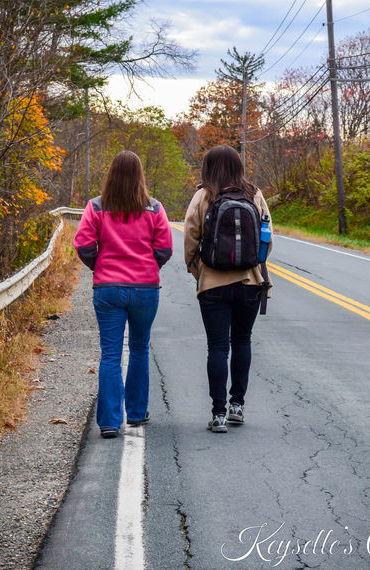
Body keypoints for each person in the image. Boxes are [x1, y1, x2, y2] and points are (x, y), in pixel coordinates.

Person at [74, 150, 173, 438]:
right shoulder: (154, 208)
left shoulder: (96, 206)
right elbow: (165, 248)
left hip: (108, 288)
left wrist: (100, 265)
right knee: (140, 348)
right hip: (145, 289)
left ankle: (109, 421)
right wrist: (149, 266)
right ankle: (137, 413)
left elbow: (83, 245)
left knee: (111, 354)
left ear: (112, 174)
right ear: (140, 175)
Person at [184, 145, 272, 433]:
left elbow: (190, 239)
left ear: (208, 168)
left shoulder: (203, 195)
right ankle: (238, 406)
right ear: (238, 166)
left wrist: (200, 272)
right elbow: (267, 240)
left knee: (218, 347)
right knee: (243, 341)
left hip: (213, 283)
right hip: (250, 282)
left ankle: (218, 413)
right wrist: (253, 264)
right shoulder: (254, 194)